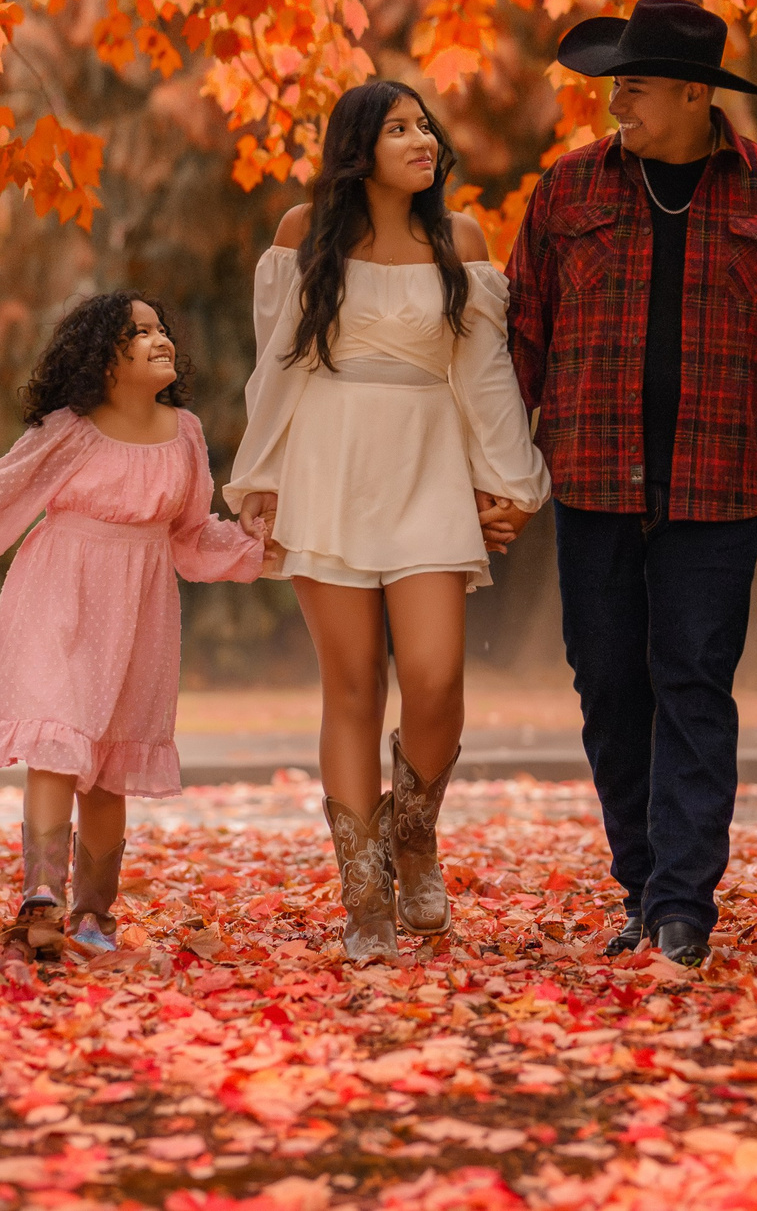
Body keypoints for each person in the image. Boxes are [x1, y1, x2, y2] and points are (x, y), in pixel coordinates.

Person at [508, 0, 757, 967]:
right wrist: (494, 468)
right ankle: (639, 880)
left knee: (693, 680)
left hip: (718, 483)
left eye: (636, 87)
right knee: (608, 684)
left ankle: (682, 899)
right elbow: (524, 332)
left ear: (697, 94)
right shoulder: (566, 191)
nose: (618, 105)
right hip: (591, 474)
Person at [227, 79, 550, 961]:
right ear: (358, 146)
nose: (422, 139)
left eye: (425, 126)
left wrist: (507, 486)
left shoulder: (463, 241)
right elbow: (278, 368)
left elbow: (485, 379)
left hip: (426, 468)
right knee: (355, 685)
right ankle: (364, 892)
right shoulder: (305, 235)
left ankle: (414, 834)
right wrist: (261, 477)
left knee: (439, 678)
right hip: (327, 464)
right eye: (399, 127)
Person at [0, 293, 267, 957]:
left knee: (110, 768)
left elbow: (190, 537)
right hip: (60, 596)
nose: (160, 338)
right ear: (102, 358)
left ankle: (94, 917)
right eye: (138, 332)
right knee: (55, 741)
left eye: (161, 328)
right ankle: (40, 900)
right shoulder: (70, 431)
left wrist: (257, 547)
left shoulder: (186, 433)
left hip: (140, 611)